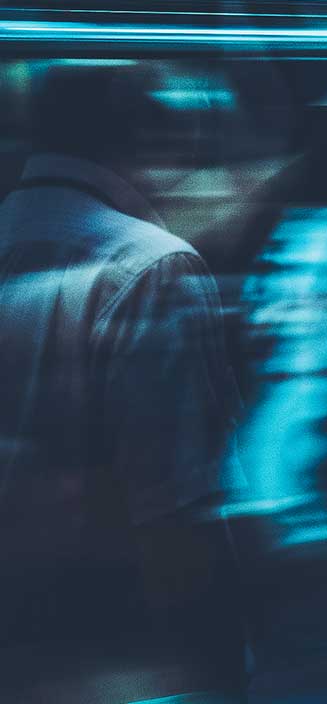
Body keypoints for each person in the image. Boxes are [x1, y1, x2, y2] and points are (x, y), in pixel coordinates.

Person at [0, 62, 247, 701]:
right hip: (107, 633)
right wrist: (221, 668)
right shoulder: (148, 264)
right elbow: (172, 502)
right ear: (144, 136)